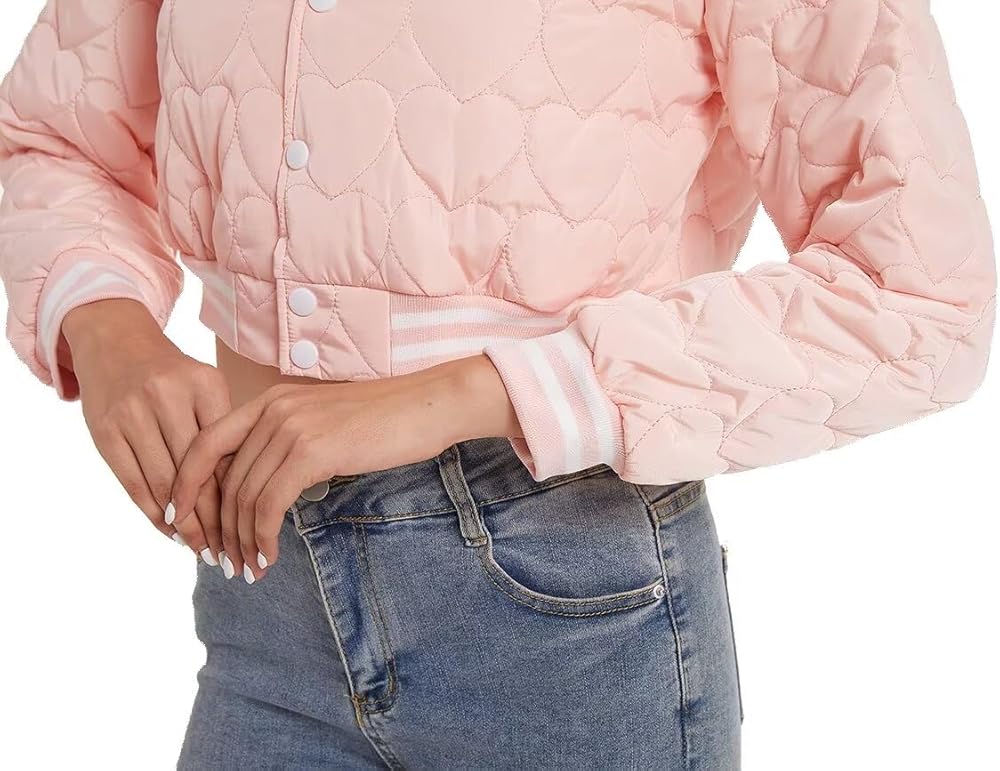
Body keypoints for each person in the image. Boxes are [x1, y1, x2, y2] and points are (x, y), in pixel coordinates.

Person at [0, 1, 994, 768]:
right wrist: (109, 326)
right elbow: (52, 139)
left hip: (560, 607)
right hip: (264, 591)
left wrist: (462, 394)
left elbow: (918, 289)